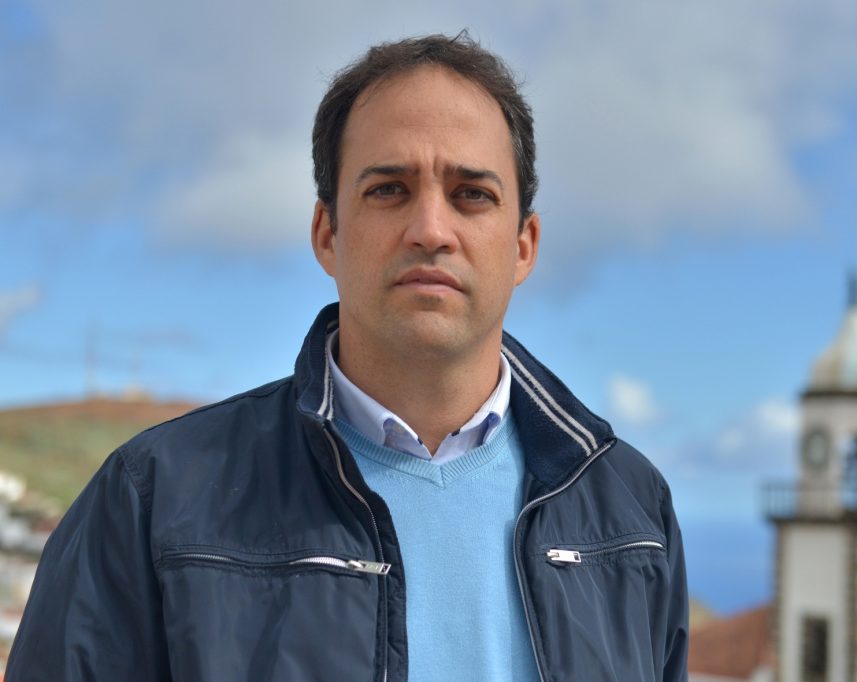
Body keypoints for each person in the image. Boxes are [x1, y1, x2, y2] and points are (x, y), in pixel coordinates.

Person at [7, 33, 688, 681]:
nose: (431, 230)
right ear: (327, 232)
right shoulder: (152, 502)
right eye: (389, 189)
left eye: (471, 195)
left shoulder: (632, 512)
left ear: (523, 246)